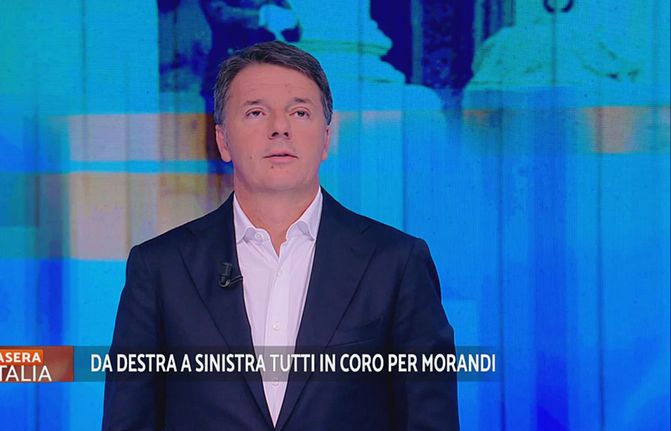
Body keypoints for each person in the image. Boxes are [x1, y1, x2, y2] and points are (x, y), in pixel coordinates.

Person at [103, 41, 459, 430]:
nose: (280, 128)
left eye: (299, 112)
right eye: (256, 112)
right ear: (223, 140)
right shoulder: (160, 268)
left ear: (326, 138)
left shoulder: (396, 263)